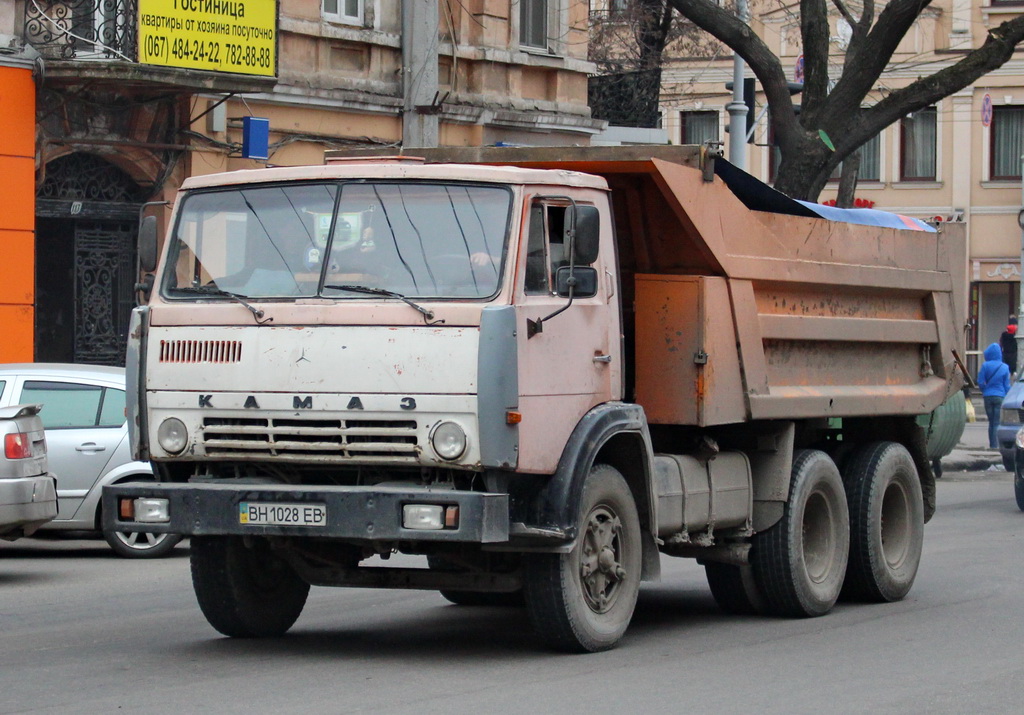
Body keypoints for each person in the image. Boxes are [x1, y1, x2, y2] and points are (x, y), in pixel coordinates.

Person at [978, 342, 1011, 449]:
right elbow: (1007, 386)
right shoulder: (1005, 367)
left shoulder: (985, 366)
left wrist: (985, 390)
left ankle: (992, 444)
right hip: (1000, 397)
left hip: (988, 397)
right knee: (997, 422)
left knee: (991, 422)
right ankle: (995, 446)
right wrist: (1007, 396)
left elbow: (980, 381)